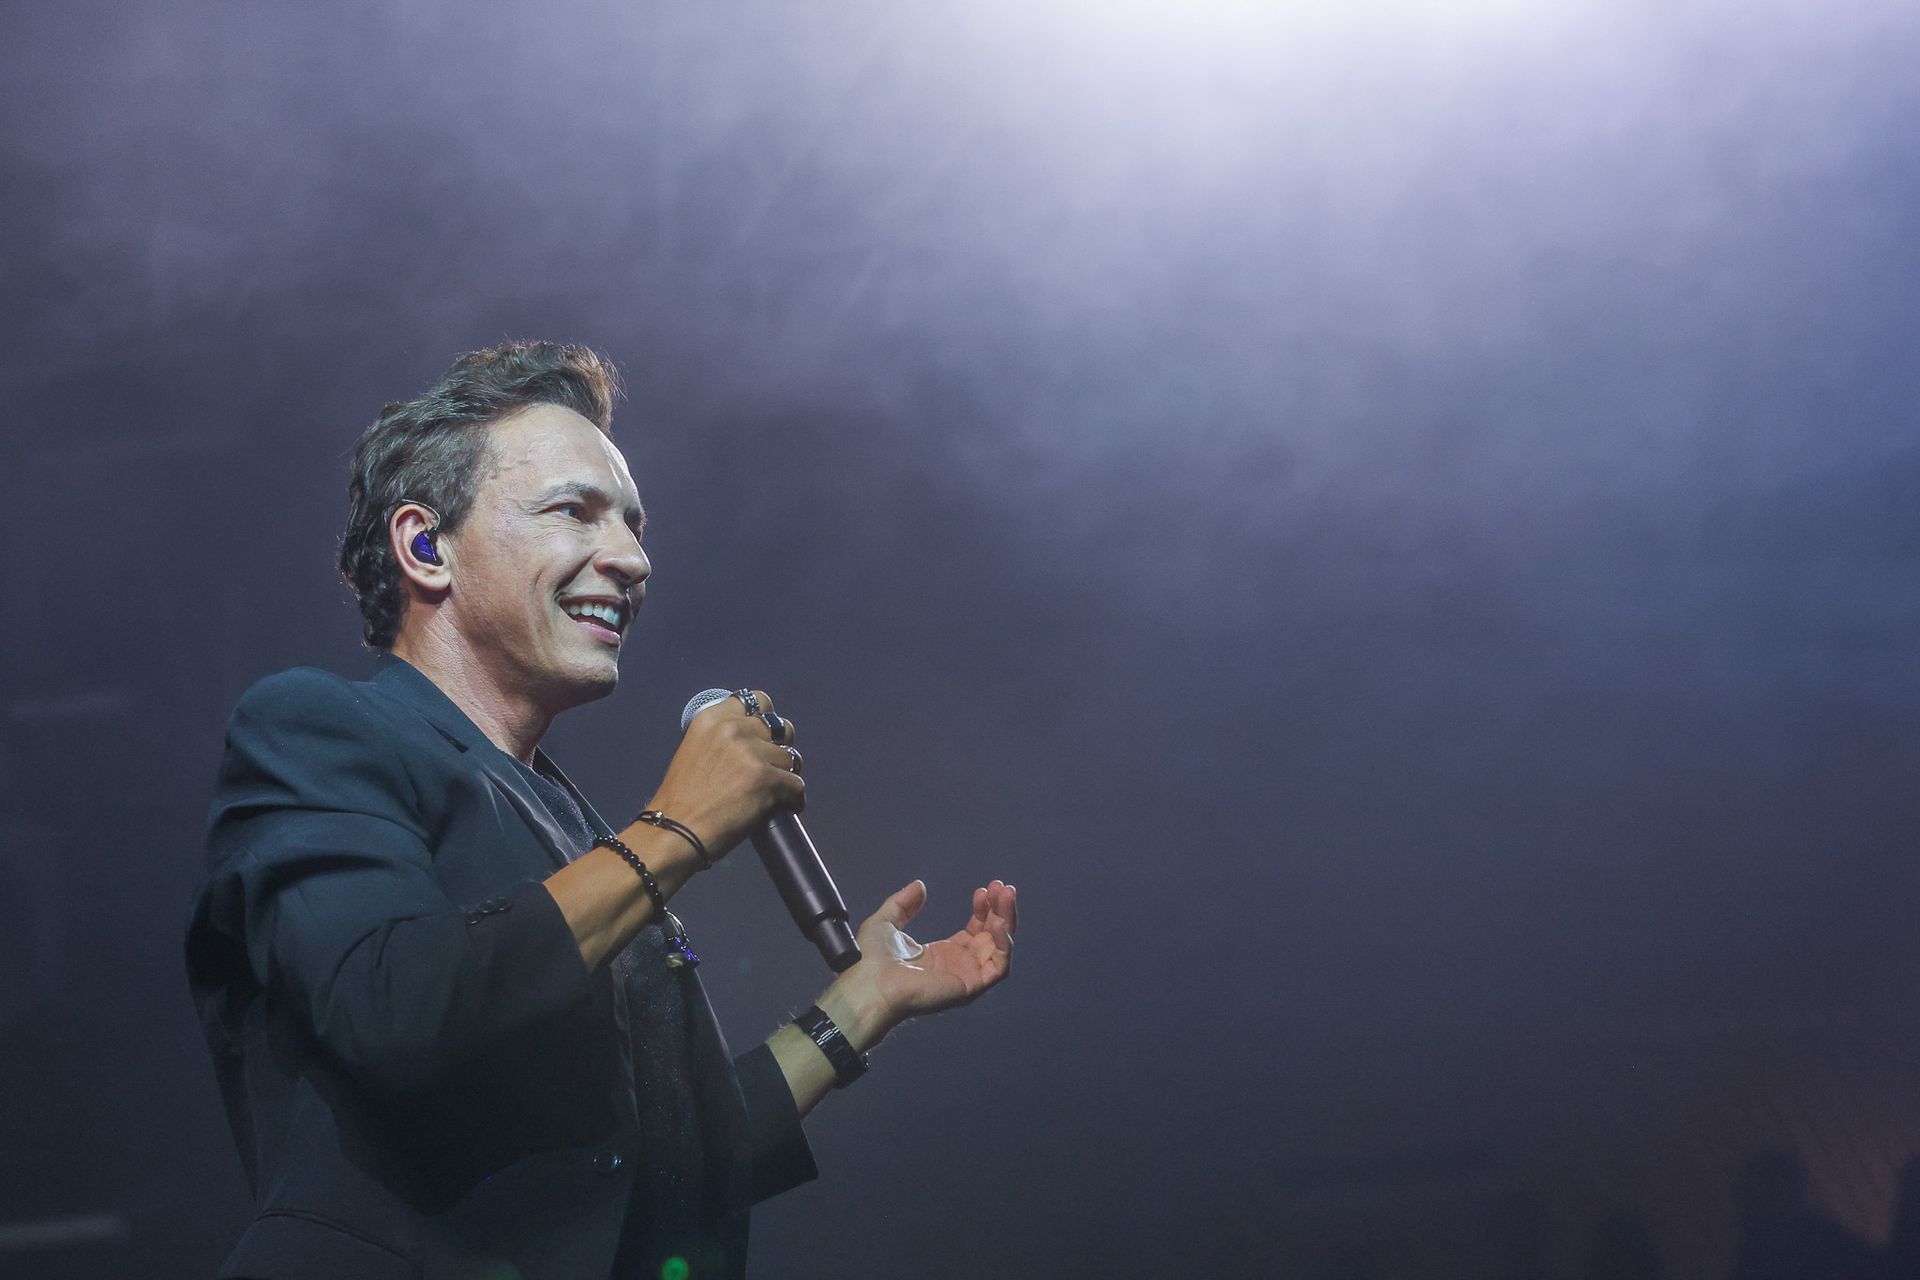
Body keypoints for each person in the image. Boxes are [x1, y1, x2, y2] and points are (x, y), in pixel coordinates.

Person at [184, 340, 1019, 1279]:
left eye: (633, 523)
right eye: (572, 511)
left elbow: (661, 1166)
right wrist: (676, 827)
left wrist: (863, 1001)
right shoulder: (322, 729)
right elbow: (396, 1006)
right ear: (425, 546)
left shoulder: (577, 830)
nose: (630, 559)